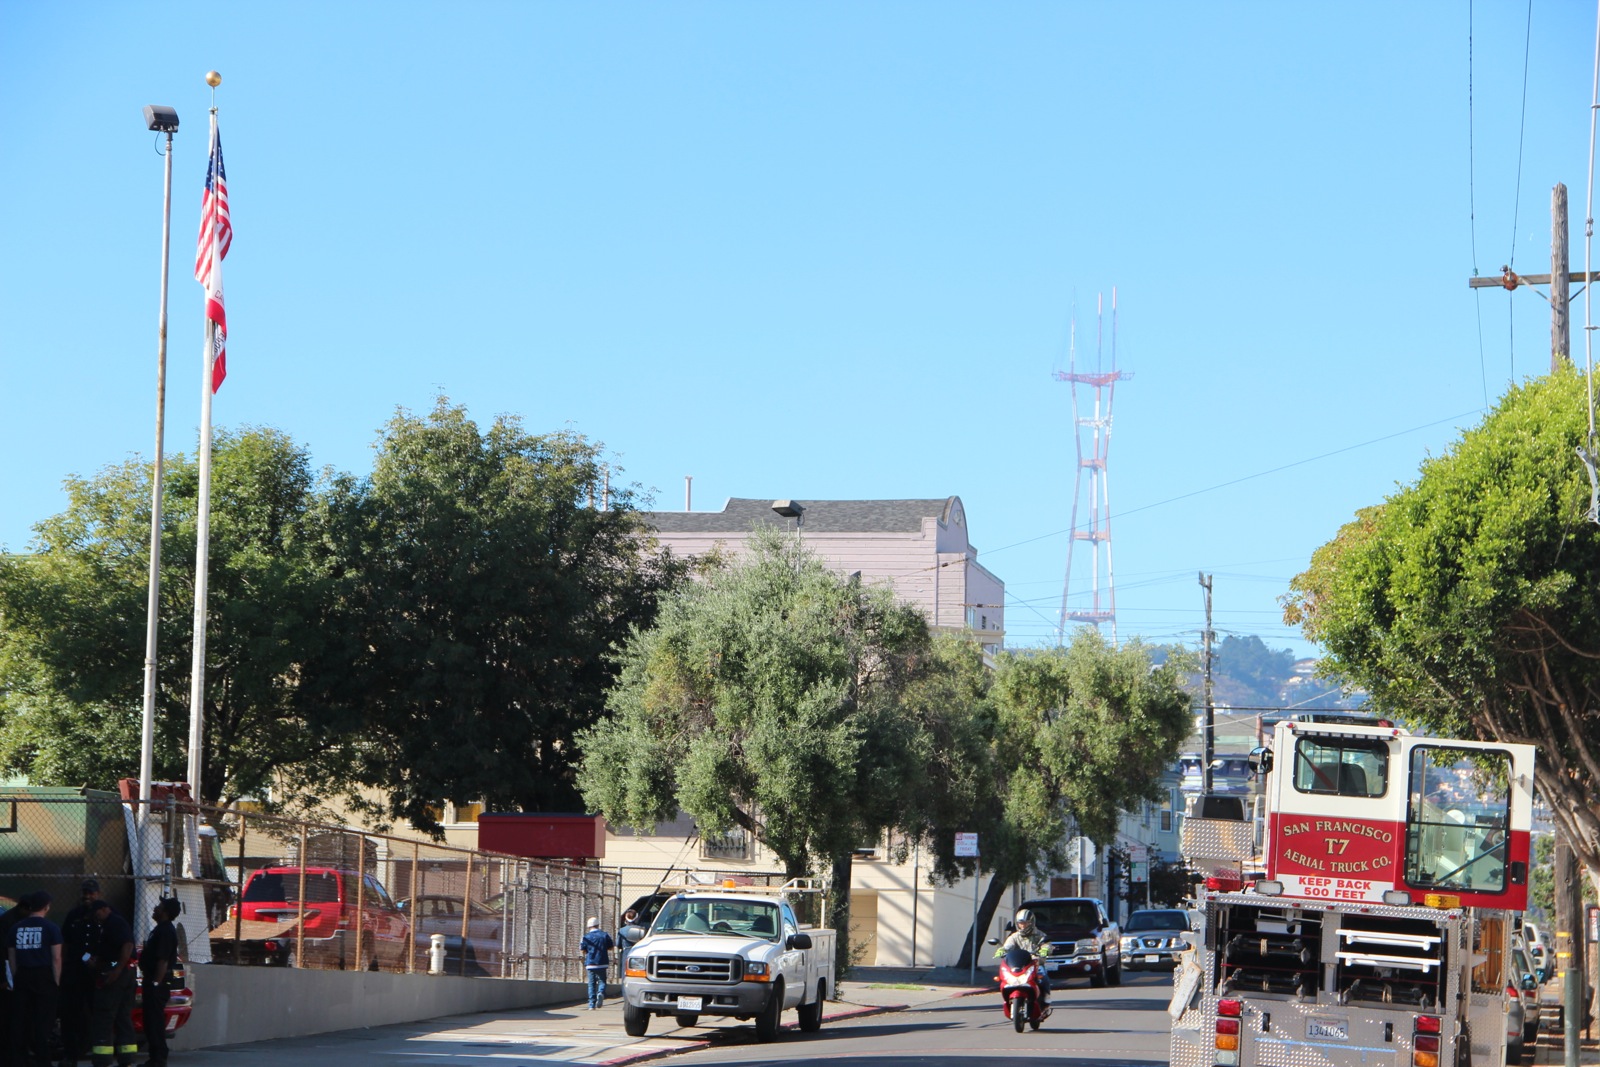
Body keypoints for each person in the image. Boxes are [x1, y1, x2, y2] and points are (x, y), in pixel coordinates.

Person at [8, 892, 62, 1067]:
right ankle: (43, 1061)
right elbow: (56, 958)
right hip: (44, 976)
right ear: (46, 906)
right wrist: (56, 981)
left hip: (23, 975)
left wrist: (17, 978)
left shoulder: (16, 928)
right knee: (43, 1021)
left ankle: (20, 1059)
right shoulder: (51, 928)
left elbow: (12, 957)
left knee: (21, 1020)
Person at [85, 900, 135, 1067]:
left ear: (105, 909)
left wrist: (116, 970)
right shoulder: (109, 925)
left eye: (97, 912)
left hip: (116, 973)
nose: (95, 917)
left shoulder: (115, 923)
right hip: (119, 970)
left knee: (104, 1015)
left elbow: (127, 945)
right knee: (122, 1015)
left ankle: (102, 1059)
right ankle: (126, 1058)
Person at [59, 880, 103, 1067]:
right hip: (74, 972)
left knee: (100, 1014)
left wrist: (103, 963)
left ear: (98, 894)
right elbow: (67, 944)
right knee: (70, 1015)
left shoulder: (106, 915)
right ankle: (70, 1055)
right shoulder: (73, 916)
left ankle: (101, 1056)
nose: (87, 896)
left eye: (91, 893)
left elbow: (118, 945)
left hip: (97, 974)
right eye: (85, 892)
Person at [138, 900, 181, 1067]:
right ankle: (154, 1057)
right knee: (150, 1021)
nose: (155, 908)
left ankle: (158, 1059)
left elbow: (162, 961)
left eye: (159, 907)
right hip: (153, 980)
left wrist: (156, 984)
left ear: (165, 912)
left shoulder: (165, 932)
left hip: (158, 984)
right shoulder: (160, 930)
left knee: (154, 1022)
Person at [994, 907, 1053, 1005]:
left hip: (1035, 962)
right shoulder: (1014, 936)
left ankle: (1046, 996)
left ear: (1031, 922)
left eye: (1026, 923)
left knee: (1043, 977)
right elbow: (1008, 945)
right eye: (1020, 923)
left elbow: (1047, 943)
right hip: (1019, 963)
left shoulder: (1039, 935)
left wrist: (1045, 949)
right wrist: (1002, 950)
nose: (1023, 926)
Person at [579, 917, 613, 1010]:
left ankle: (591, 1004)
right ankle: (601, 993)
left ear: (589, 926)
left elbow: (582, 949)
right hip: (602, 962)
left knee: (591, 983)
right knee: (602, 981)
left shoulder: (585, 937)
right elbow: (611, 947)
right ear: (598, 924)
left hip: (590, 963)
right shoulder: (604, 935)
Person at [616, 909, 640, 982]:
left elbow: (618, 944)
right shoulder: (640, 929)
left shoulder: (621, 930)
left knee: (625, 972)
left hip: (626, 951)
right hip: (637, 952)